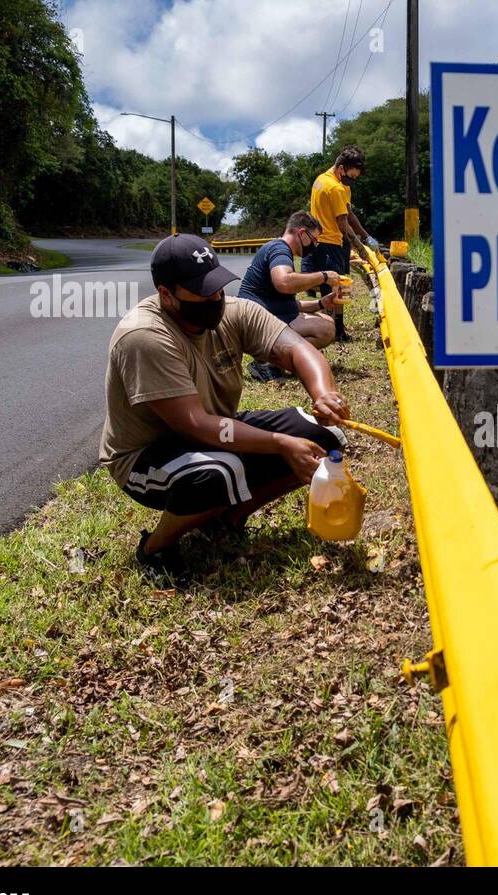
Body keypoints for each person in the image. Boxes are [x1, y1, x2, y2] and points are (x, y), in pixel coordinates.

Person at [99, 233, 350, 580]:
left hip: (215, 430)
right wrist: (280, 443)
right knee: (221, 472)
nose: (215, 298)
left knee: (326, 436)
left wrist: (323, 393)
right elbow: (194, 425)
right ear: (166, 295)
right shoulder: (144, 336)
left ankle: (227, 518)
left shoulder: (233, 312)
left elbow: (297, 350)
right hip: (147, 454)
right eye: (203, 293)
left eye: (217, 287)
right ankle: (154, 549)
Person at [237, 211, 346, 381]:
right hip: (255, 324)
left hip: (261, 318)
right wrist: (323, 276)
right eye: (314, 240)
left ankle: (272, 361)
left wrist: (322, 303)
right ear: (302, 233)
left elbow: (287, 305)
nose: (314, 245)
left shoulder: (278, 249)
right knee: (325, 329)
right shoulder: (280, 249)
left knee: (326, 322)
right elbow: (284, 282)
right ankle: (267, 363)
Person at [302, 145, 379, 342]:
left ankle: (337, 327)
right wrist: (360, 247)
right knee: (336, 287)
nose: (352, 181)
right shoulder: (335, 188)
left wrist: (365, 235)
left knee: (337, 285)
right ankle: (334, 329)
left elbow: (348, 212)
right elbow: (342, 223)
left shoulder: (322, 179)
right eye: (351, 177)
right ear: (341, 167)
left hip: (325, 242)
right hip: (331, 243)